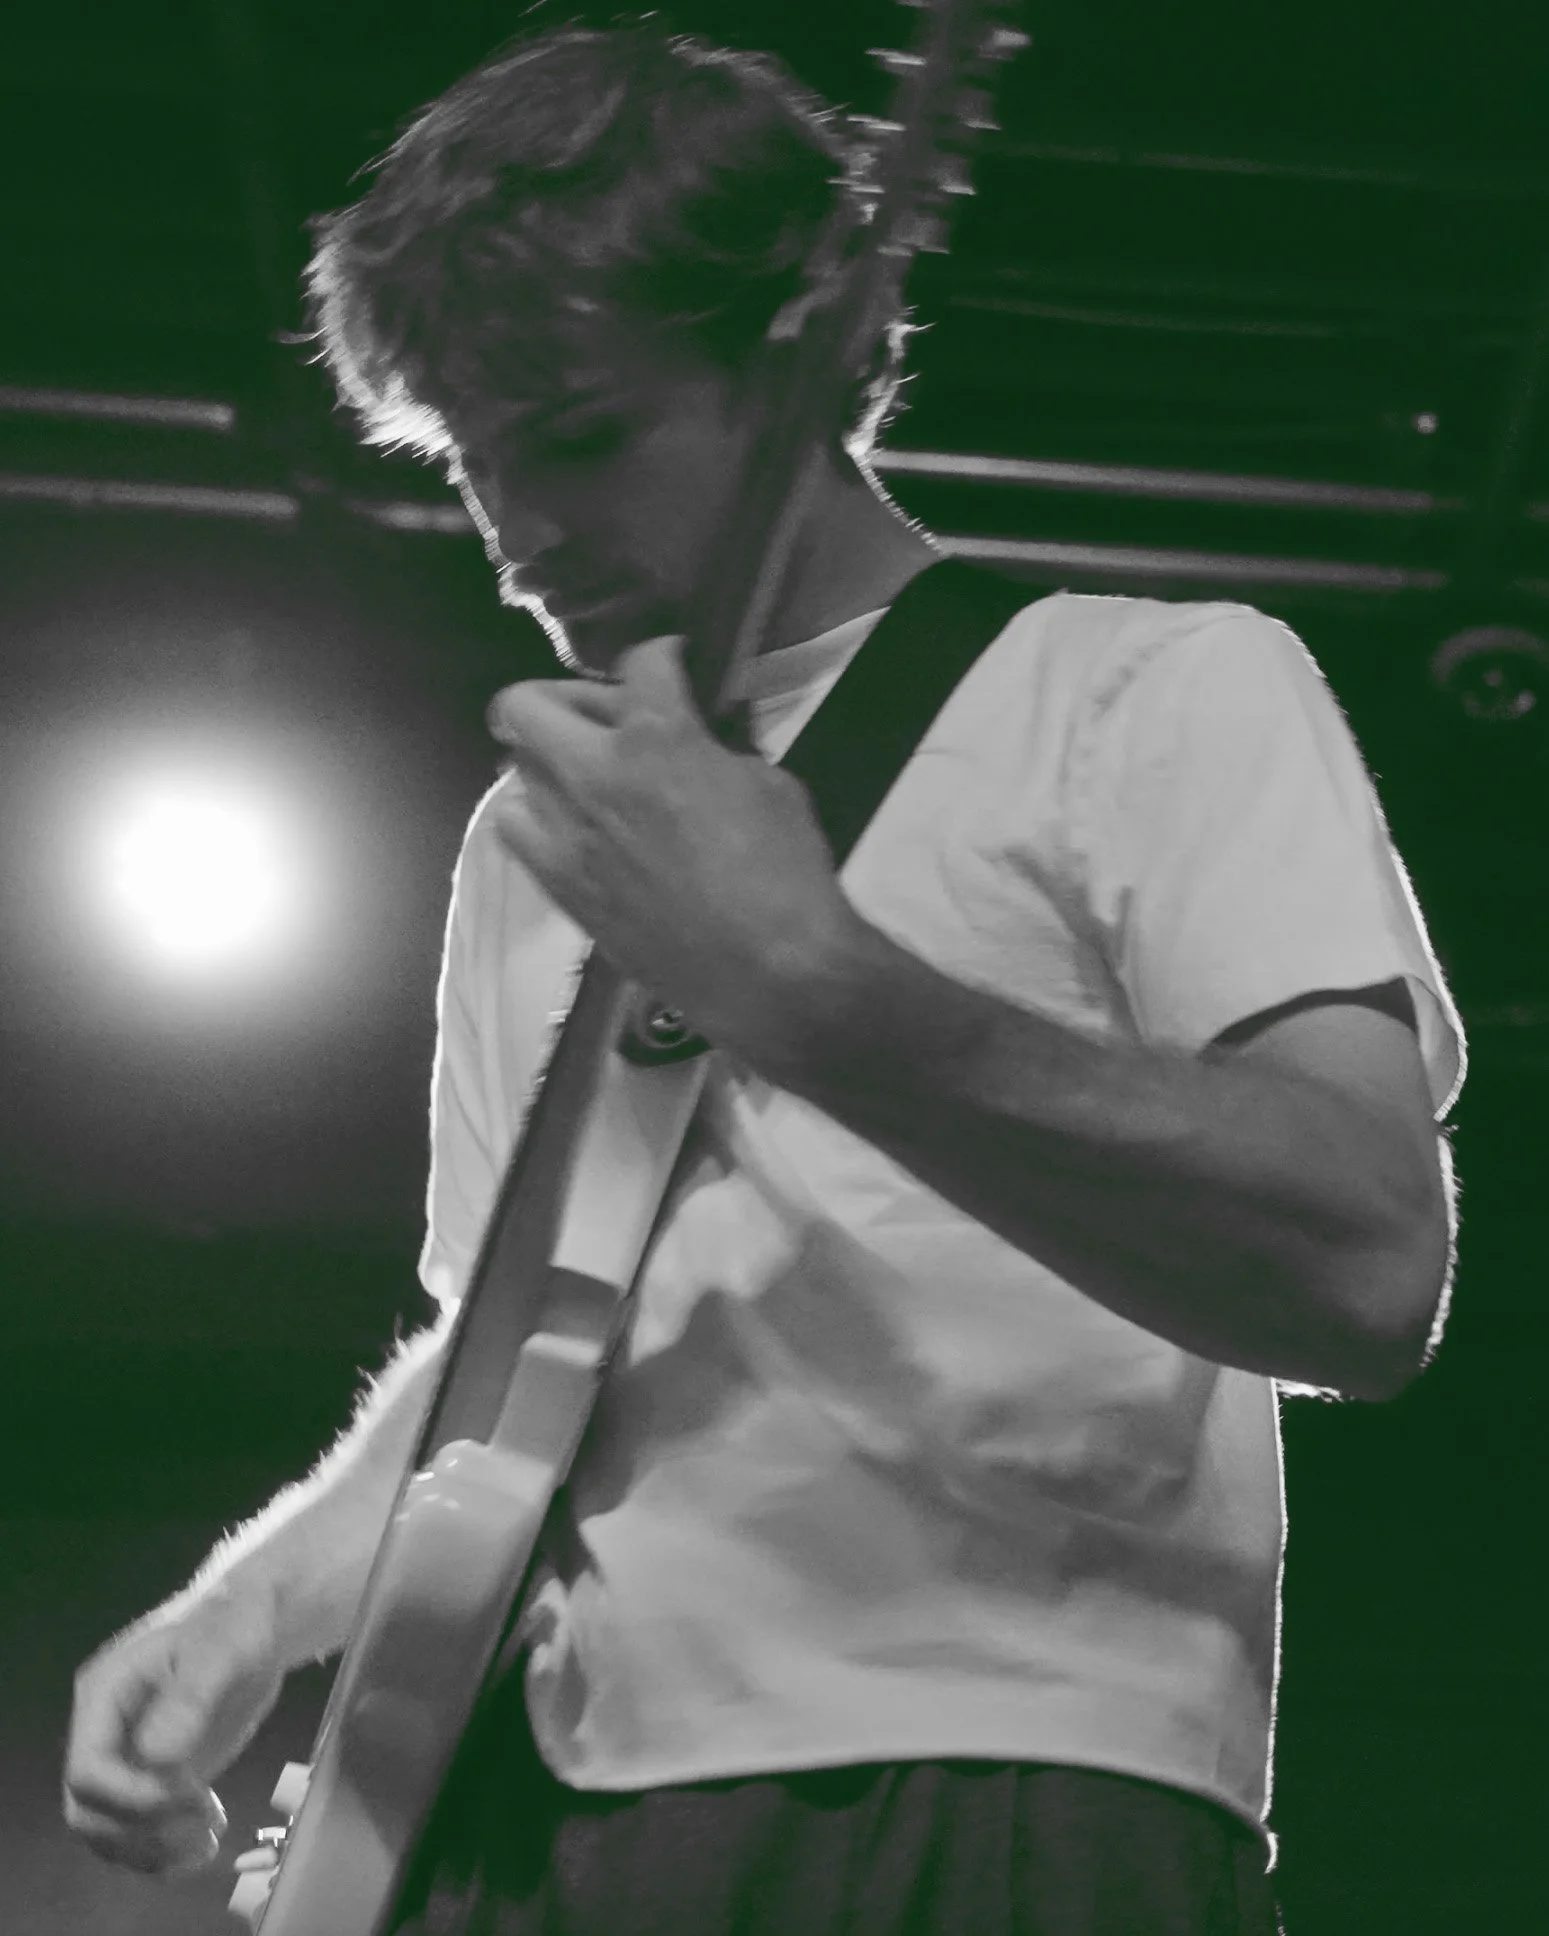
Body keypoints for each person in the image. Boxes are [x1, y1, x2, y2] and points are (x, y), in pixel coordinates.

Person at [62, 23, 1464, 1935]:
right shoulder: (540, 835)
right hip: (536, 1825)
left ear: (802, 349)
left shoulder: (1150, 689)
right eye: (477, 464)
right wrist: (252, 1608)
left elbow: (1368, 1261)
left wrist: (824, 993)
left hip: (994, 1779)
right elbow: (515, 1363)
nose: (526, 534)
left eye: (580, 435)